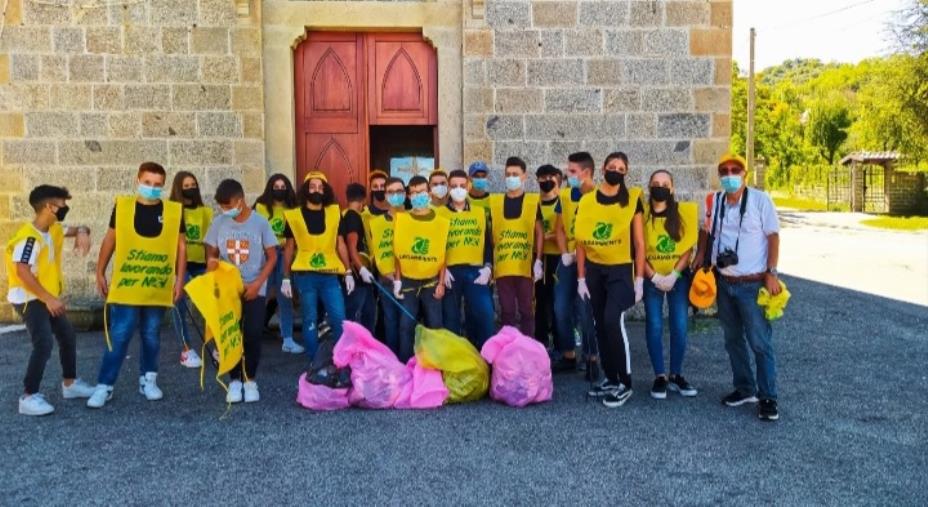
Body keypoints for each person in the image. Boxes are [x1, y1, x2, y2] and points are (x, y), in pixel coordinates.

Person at [88, 162, 187, 408]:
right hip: (127, 286)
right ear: (138, 180)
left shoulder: (174, 211)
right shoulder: (123, 207)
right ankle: (104, 385)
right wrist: (99, 271)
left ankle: (148, 379)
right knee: (120, 335)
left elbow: (180, 246)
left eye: (157, 185)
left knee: (152, 334)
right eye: (147, 183)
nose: (152, 188)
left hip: (157, 285)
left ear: (163, 185)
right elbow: (110, 239)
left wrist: (180, 279)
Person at [694, 153, 782, 421]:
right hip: (724, 282)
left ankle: (768, 397)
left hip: (752, 283)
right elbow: (707, 230)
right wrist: (700, 258)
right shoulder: (715, 200)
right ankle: (744, 388)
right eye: (724, 170)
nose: (729, 174)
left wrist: (772, 272)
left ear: (745, 174)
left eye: (735, 169)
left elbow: (773, 236)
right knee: (732, 340)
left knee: (759, 342)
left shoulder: (760, 201)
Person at [6, 185, 94, 416]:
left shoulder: (52, 228)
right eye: (62, 204)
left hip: (45, 297)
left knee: (67, 335)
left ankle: (70, 384)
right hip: (29, 297)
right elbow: (22, 272)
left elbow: (73, 230)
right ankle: (28, 396)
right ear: (49, 207)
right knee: (43, 343)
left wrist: (83, 231)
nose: (66, 208)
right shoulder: (29, 238)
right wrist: (48, 299)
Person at [575, 152, 645, 409]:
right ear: (603, 168)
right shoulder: (588, 201)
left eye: (621, 168)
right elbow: (581, 241)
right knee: (599, 325)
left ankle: (625, 383)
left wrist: (639, 279)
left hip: (620, 271)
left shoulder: (632, 200)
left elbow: (639, 242)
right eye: (612, 166)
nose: (616, 170)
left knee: (612, 320)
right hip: (594, 270)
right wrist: (581, 277)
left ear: (625, 173)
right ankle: (611, 377)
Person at [205, 179, 278, 403]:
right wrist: (212, 267)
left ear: (241, 200)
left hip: (255, 287)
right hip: (228, 288)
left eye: (229, 206)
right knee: (230, 335)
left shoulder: (260, 222)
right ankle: (235, 381)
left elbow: (272, 256)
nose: (225, 211)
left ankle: (251, 380)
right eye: (222, 208)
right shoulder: (219, 223)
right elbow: (211, 254)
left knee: (254, 334)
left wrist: (258, 284)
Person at [282, 172, 352, 360]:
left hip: (330, 275)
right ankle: (314, 362)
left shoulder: (334, 213)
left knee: (339, 319)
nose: (317, 190)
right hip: (305, 277)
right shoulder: (294, 216)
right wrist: (286, 277)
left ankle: (340, 361)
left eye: (321, 187)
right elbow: (289, 248)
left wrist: (348, 271)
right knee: (310, 320)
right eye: (312, 186)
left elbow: (341, 243)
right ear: (306, 190)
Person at [642, 170, 699, 400]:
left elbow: (687, 248)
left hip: (678, 278)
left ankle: (676, 374)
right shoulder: (642, 215)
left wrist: (674, 274)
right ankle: (659, 376)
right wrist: (654, 276)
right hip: (650, 277)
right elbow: (638, 249)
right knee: (654, 325)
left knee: (680, 326)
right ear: (649, 186)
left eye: (665, 184)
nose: (660, 187)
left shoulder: (682, 213)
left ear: (672, 188)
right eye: (656, 183)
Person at [393, 175, 450, 362]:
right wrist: (398, 280)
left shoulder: (441, 221)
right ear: (409, 196)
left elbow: (443, 254)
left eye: (422, 192)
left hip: (432, 281)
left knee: (435, 325)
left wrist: (441, 283)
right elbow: (397, 253)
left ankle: (436, 366)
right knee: (405, 326)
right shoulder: (401, 220)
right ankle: (405, 366)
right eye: (414, 193)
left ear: (429, 192)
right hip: (408, 281)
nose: (418, 196)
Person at [551, 152, 597, 376]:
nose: (568, 175)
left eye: (572, 172)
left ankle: (591, 358)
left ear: (586, 173)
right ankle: (568, 354)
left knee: (586, 309)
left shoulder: (600, 196)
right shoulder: (567, 195)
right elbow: (559, 228)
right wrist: (563, 253)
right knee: (560, 308)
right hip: (569, 259)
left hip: (592, 260)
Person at [489, 157, 544, 337]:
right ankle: (508, 350)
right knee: (507, 313)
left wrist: (538, 260)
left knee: (528, 311)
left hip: (525, 267)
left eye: (515, 174)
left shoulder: (532, 202)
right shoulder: (495, 203)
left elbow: (539, 232)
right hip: (504, 267)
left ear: (524, 176)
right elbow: (491, 235)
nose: (511, 177)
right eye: (508, 174)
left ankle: (528, 349)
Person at [440, 169, 495, 349]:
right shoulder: (440, 213)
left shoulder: (479, 212)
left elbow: (487, 242)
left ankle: (485, 362)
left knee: (485, 316)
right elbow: (435, 245)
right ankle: (455, 365)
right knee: (451, 320)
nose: (458, 189)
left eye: (462, 186)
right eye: (454, 186)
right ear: (448, 188)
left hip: (475, 271)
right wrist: (441, 268)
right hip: (450, 273)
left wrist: (488, 267)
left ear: (468, 186)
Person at [253, 174, 302, 354]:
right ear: (270, 188)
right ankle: (247, 336)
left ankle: (287, 339)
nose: (279, 190)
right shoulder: (260, 207)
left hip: (286, 255)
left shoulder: (293, 209)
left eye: (283, 186)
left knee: (285, 298)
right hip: (264, 256)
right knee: (258, 296)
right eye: (276, 186)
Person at [168, 171, 210, 368]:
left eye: (193, 184)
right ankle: (185, 349)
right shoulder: (172, 211)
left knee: (211, 304)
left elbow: (210, 240)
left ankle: (216, 345)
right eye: (186, 186)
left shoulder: (205, 211)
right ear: (178, 188)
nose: (191, 188)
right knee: (179, 305)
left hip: (200, 263)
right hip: (179, 265)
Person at [367, 177, 406, 353]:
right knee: (390, 321)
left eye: (399, 192)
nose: (395, 196)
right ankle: (392, 362)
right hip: (386, 279)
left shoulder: (412, 218)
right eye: (391, 192)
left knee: (407, 323)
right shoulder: (375, 223)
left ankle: (407, 361)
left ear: (405, 194)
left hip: (409, 279)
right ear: (386, 195)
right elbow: (375, 251)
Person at [340, 182, 376, 331]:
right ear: (364, 200)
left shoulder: (346, 215)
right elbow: (351, 246)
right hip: (357, 274)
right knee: (356, 315)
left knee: (369, 313)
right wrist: (361, 269)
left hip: (361, 274)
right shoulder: (353, 217)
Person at [534, 164, 562, 348]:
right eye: (542, 178)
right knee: (540, 300)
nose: (546, 181)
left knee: (558, 300)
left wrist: (550, 236)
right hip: (539, 257)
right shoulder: (534, 203)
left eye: (550, 177)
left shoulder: (562, 202)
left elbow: (566, 229)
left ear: (557, 178)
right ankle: (541, 340)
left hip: (558, 257)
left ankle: (561, 341)